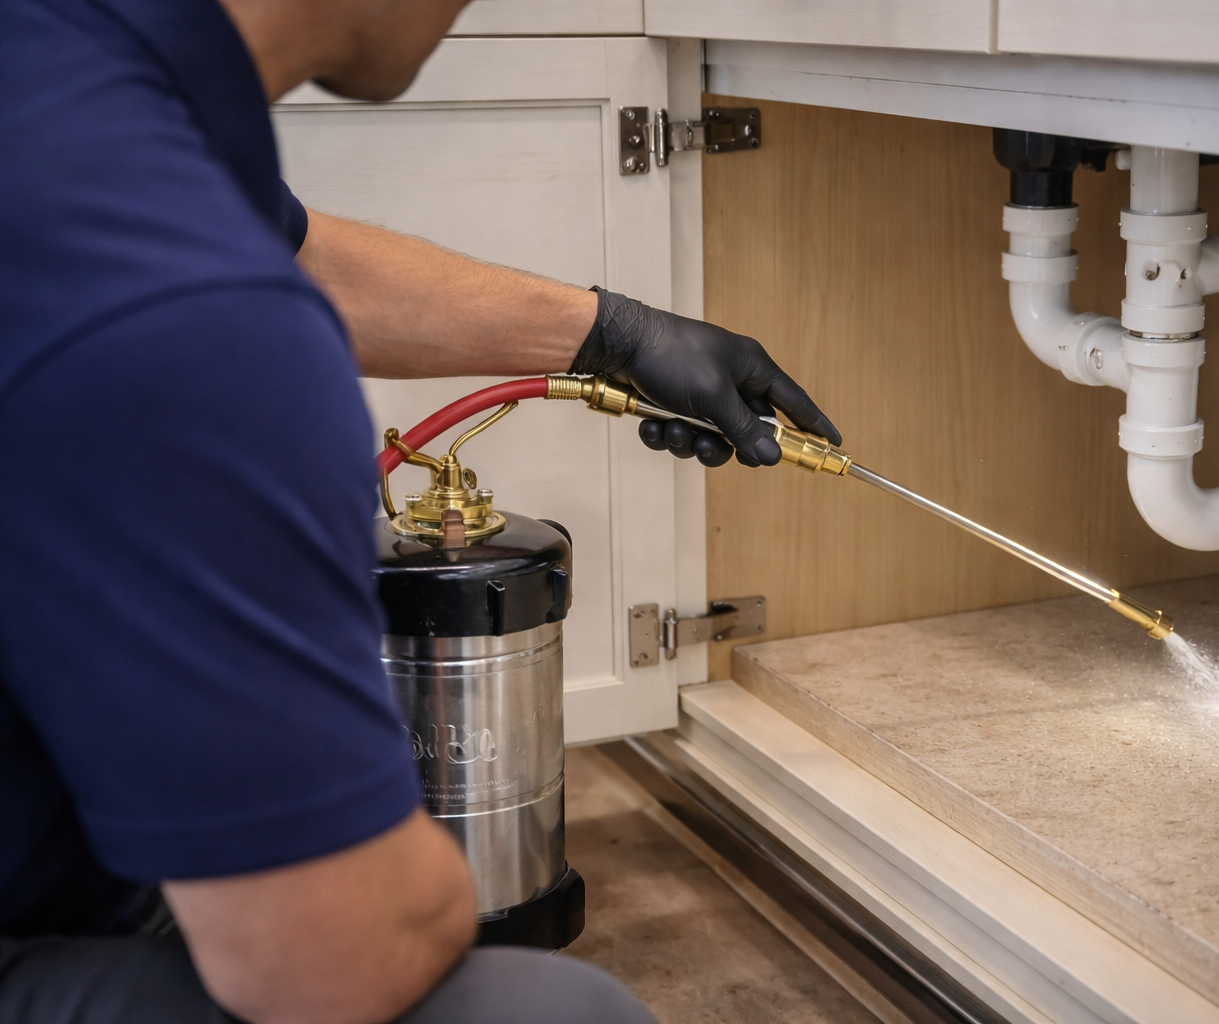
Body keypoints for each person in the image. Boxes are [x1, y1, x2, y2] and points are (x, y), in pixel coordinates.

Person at [0, 0, 840, 1021]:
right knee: (555, 1013)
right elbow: (336, 957)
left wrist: (612, 334)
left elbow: (294, 252)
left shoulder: (64, 78)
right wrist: (429, 860)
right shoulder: (179, 307)